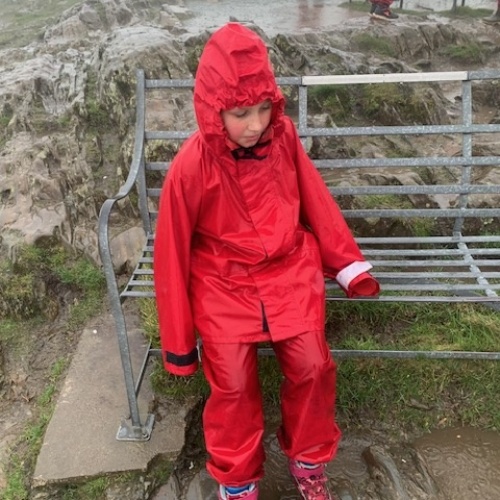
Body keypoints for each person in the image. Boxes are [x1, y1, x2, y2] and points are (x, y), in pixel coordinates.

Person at [153, 22, 380, 500]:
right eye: (240, 113)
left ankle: (308, 460)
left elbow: (314, 197)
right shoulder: (191, 165)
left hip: (288, 270)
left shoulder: (283, 136)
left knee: (314, 366)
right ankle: (237, 483)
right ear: (214, 110)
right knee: (233, 385)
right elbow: (171, 251)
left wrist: (346, 264)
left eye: (263, 108)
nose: (256, 124)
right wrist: (179, 343)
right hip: (221, 281)